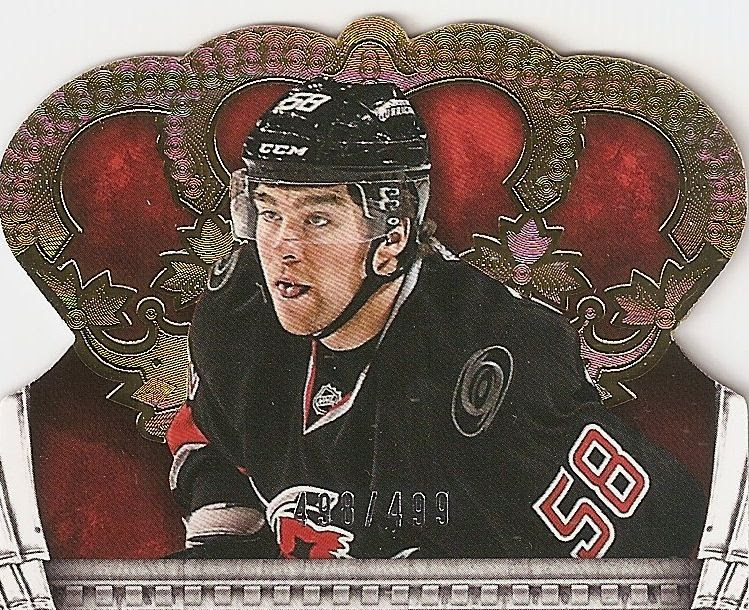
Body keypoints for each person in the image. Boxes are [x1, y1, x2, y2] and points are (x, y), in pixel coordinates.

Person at [167, 77, 706, 559]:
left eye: (317, 219)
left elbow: (661, 548)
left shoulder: (491, 366)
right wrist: (222, 555)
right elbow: (211, 439)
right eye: (269, 213)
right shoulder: (240, 319)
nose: (282, 247)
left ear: (392, 237)